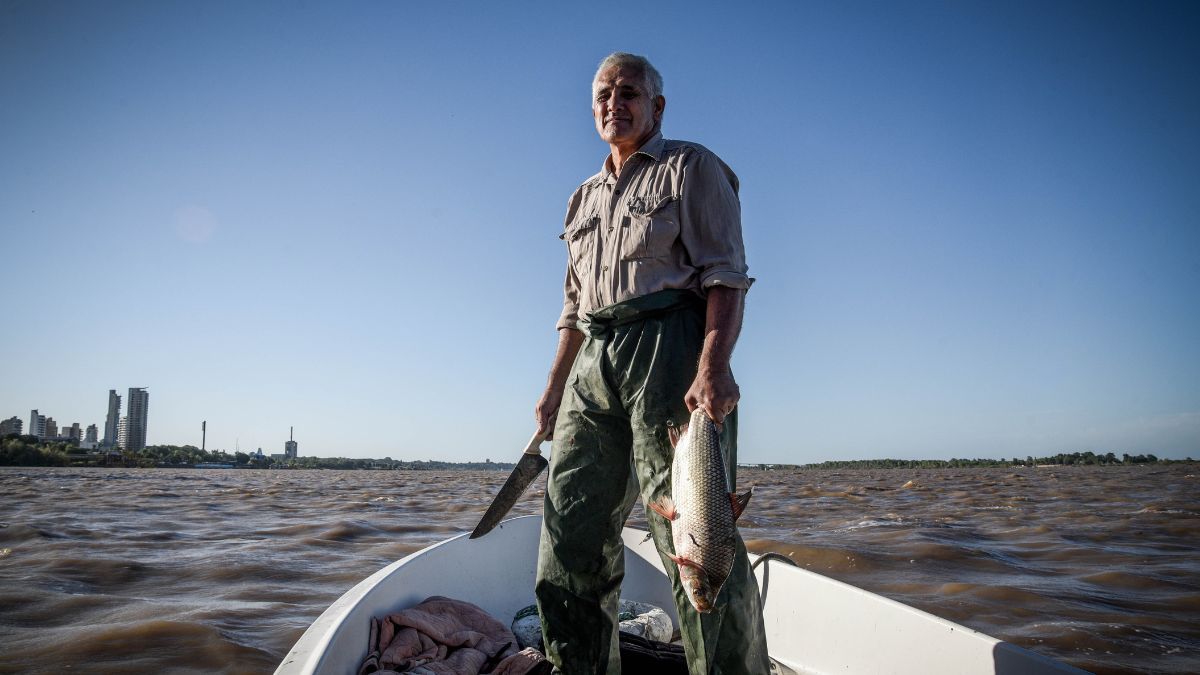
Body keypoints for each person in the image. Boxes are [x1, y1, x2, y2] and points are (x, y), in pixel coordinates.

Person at [531, 52, 770, 674]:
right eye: (604, 94)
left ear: (655, 105)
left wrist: (713, 364)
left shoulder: (692, 167)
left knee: (696, 539)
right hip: (594, 360)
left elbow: (726, 276)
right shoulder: (581, 199)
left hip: (672, 348)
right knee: (571, 529)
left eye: (628, 91)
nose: (615, 103)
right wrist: (555, 389)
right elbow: (574, 309)